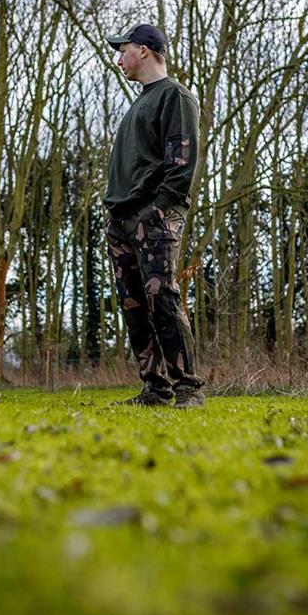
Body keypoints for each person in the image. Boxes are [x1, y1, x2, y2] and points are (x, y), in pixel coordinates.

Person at [103, 23, 206, 408]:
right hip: (122, 218)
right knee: (133, 305)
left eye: (123, 50)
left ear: (144, 50)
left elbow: (181, 165)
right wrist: (117, 217)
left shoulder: (175, 96)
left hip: (155, 216)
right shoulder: (138, 104)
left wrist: (157, 210)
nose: (119, 59)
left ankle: (188, 388)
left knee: (161, 297)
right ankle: (155, 389)